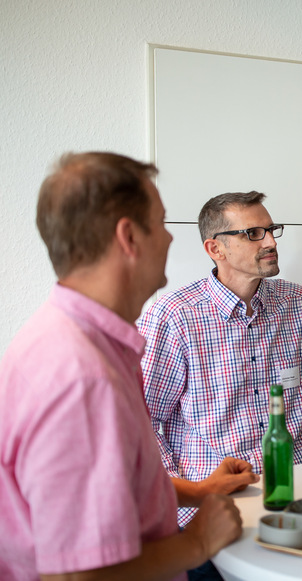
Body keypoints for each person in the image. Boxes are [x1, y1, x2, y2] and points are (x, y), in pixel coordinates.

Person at [0, 152, 242, 581]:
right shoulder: (82, 378)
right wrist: (198, 543)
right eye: (163, 223)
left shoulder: (67, 339)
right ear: (129, 237)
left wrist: (202, 490)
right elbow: (79, 576)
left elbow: (111, 486)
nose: (170, 239)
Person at [138, 190, 302, 528]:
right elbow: (140, 420)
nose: (270, 242)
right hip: (211, 508)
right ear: (215, 248)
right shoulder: (174, 317)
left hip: (298, 494)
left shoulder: (299, 304)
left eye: (270, 229)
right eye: (252, 233)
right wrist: (181, 498)